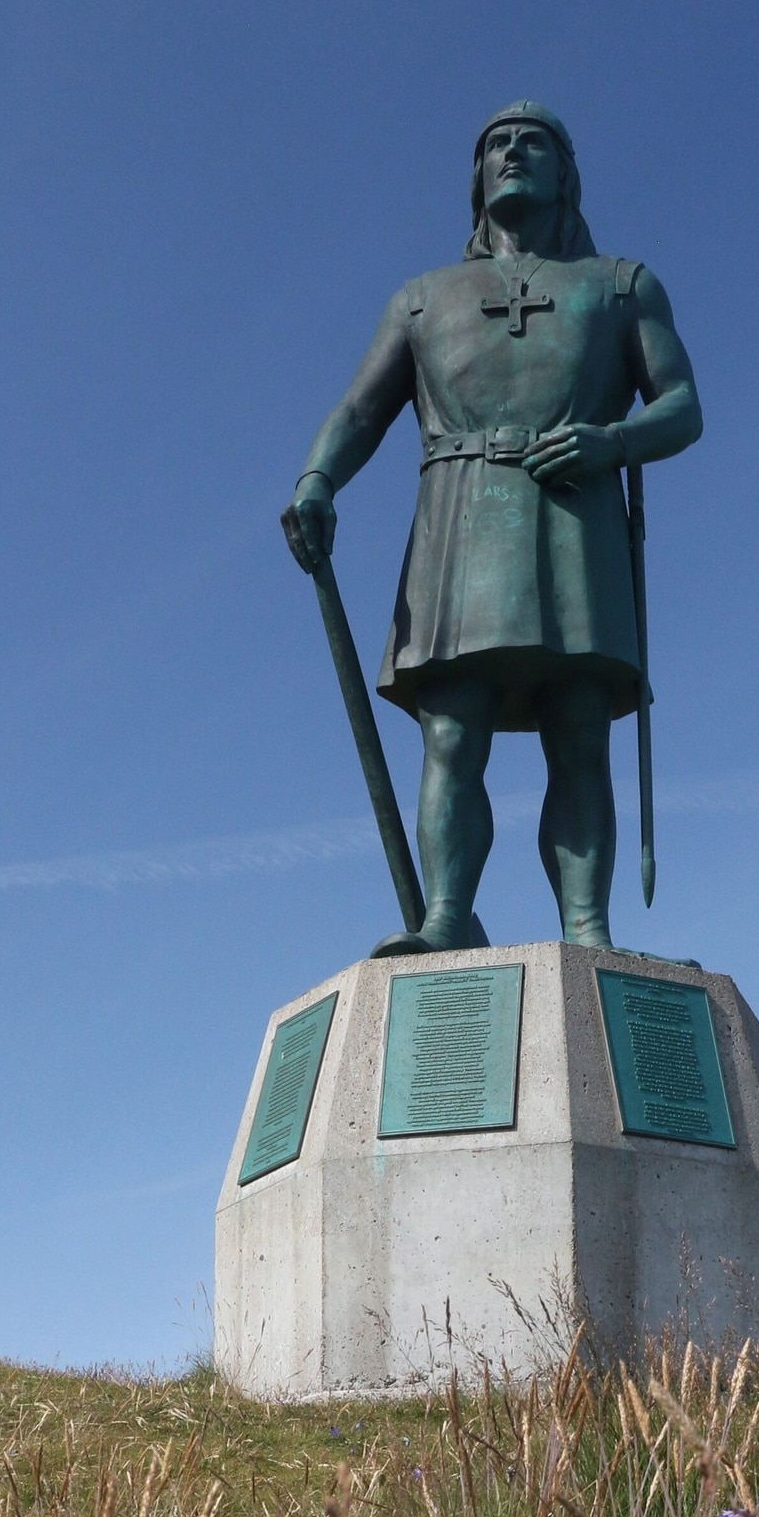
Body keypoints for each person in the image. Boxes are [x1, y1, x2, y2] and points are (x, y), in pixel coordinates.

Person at [282, 104, 702, 951]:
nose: (511, 153)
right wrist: (317, 480)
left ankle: (586, 928)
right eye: (494, 146)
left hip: (574, 508)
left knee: (579, 727)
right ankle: (445, 919)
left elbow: (682, 407)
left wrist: (611, 441)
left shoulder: (620, 285)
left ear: (563, 171)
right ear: (475, 179)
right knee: (452, 730)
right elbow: (361, 409)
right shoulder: (421, 299)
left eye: (531, 143)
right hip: (461, 515)